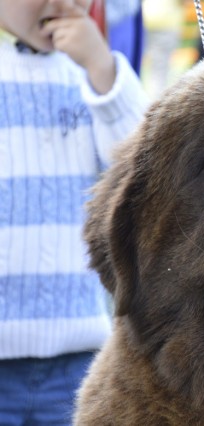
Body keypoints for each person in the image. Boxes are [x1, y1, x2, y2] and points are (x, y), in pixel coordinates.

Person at [0, 0, 147, 424]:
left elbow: (145, 171)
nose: (63, 4)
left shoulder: (92, 78)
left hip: (78, 356)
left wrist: (103, 70)